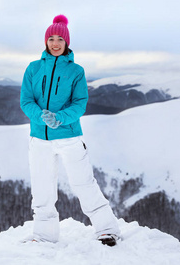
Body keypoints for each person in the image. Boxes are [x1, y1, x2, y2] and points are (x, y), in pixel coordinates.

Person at [20, 14, 121, 246]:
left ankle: (107, 229)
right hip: (39, 138)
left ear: (66, 43)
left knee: (83, 183)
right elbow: (26, 100)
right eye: (51, 39)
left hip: (69, 137)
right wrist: (42, 117)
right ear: (46, 42)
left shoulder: (76, 71)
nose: (55, 43)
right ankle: (45, 236)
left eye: (60, 39)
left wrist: (59, 118)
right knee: (42, 188)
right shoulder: (33, 68)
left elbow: (80, 103)